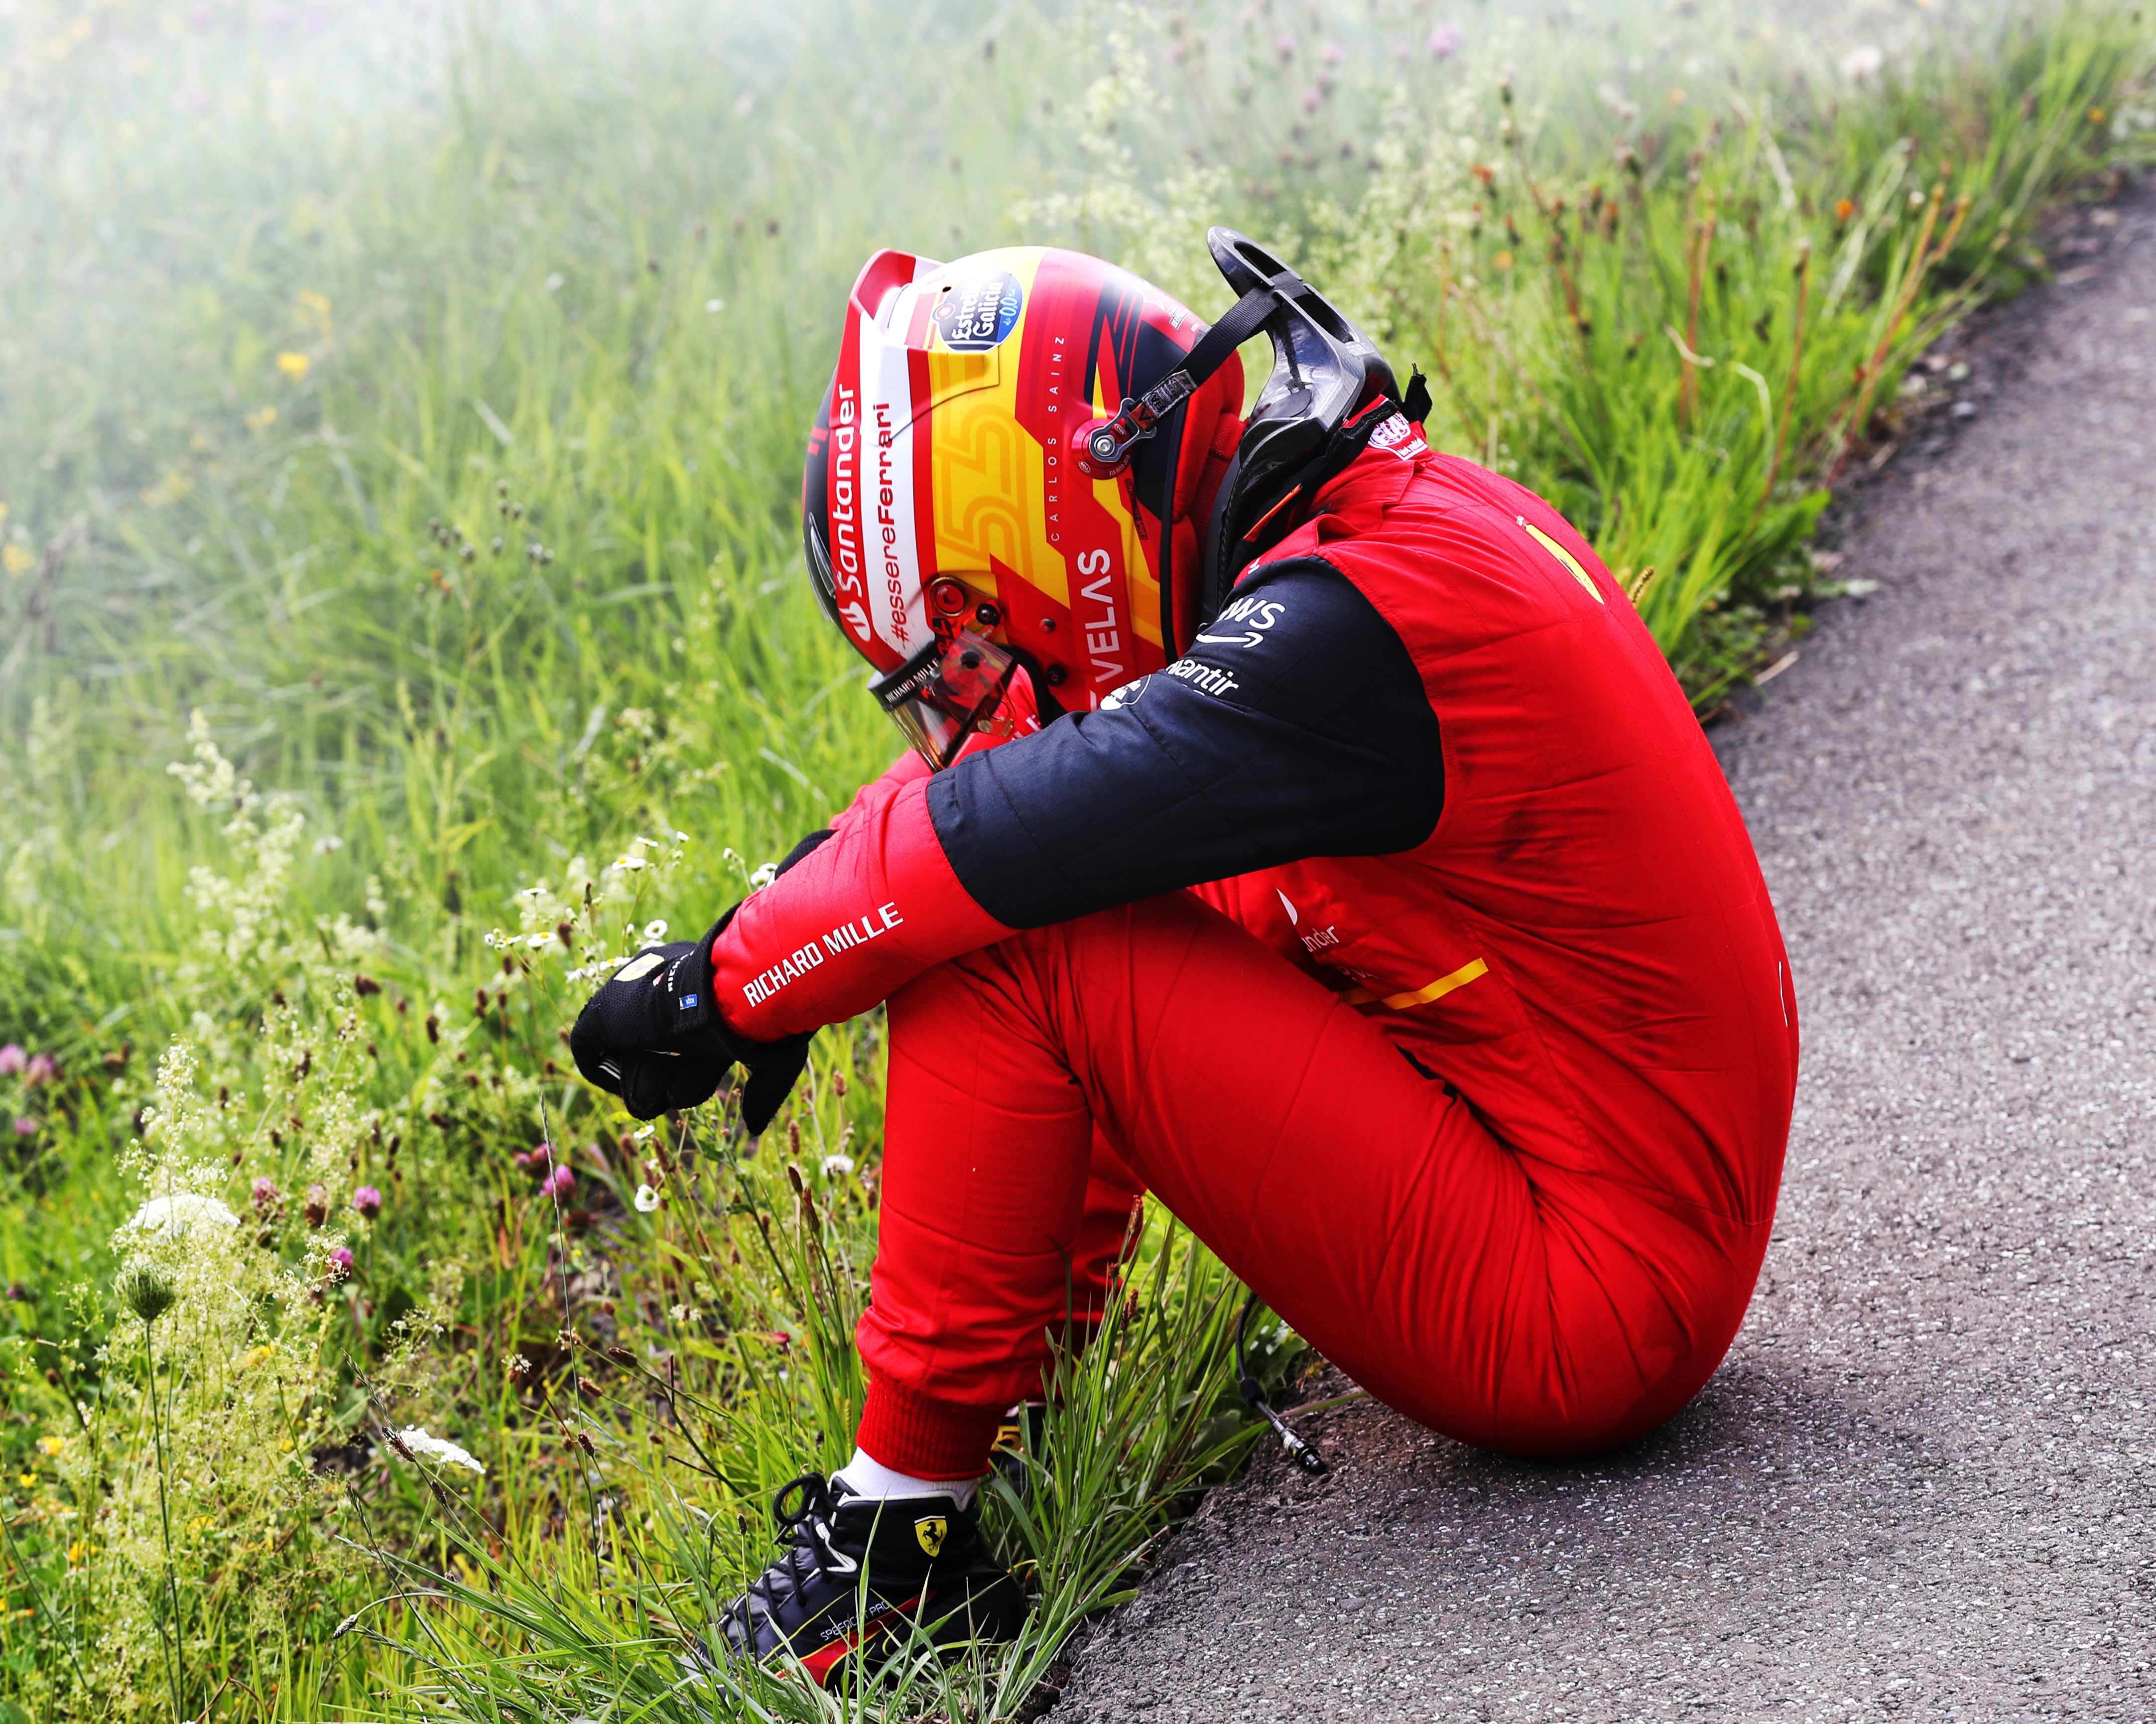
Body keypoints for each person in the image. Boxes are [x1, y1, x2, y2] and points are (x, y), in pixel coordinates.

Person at [569, 231, 1798, 1685]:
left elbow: (994, 833)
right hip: (1606, 1207)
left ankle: (892, 1555)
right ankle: (1010, 1422)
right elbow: (1015, 785)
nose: (978, 686)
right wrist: (772, 926)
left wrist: (725, 985)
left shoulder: (1333, 633)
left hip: (1583, 1301)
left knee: (1017, 931)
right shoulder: (1342, 538)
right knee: (1039, 884)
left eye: (970, 632)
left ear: (1052, 525)